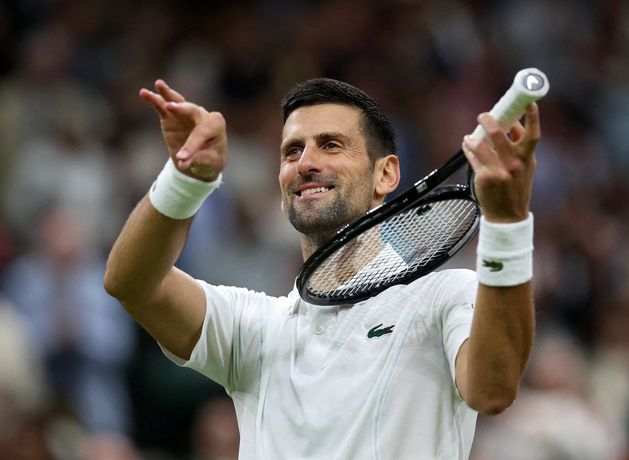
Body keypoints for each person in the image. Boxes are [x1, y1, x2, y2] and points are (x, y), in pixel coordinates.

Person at [104, 77, 540, 459]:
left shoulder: (444, 296)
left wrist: (508, 226)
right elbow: (133, 283)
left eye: (331, 145)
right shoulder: (255, 328)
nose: (306, 163)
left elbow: (492, 389)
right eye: (292, 151)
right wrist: (186, 182)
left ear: (385, 174)